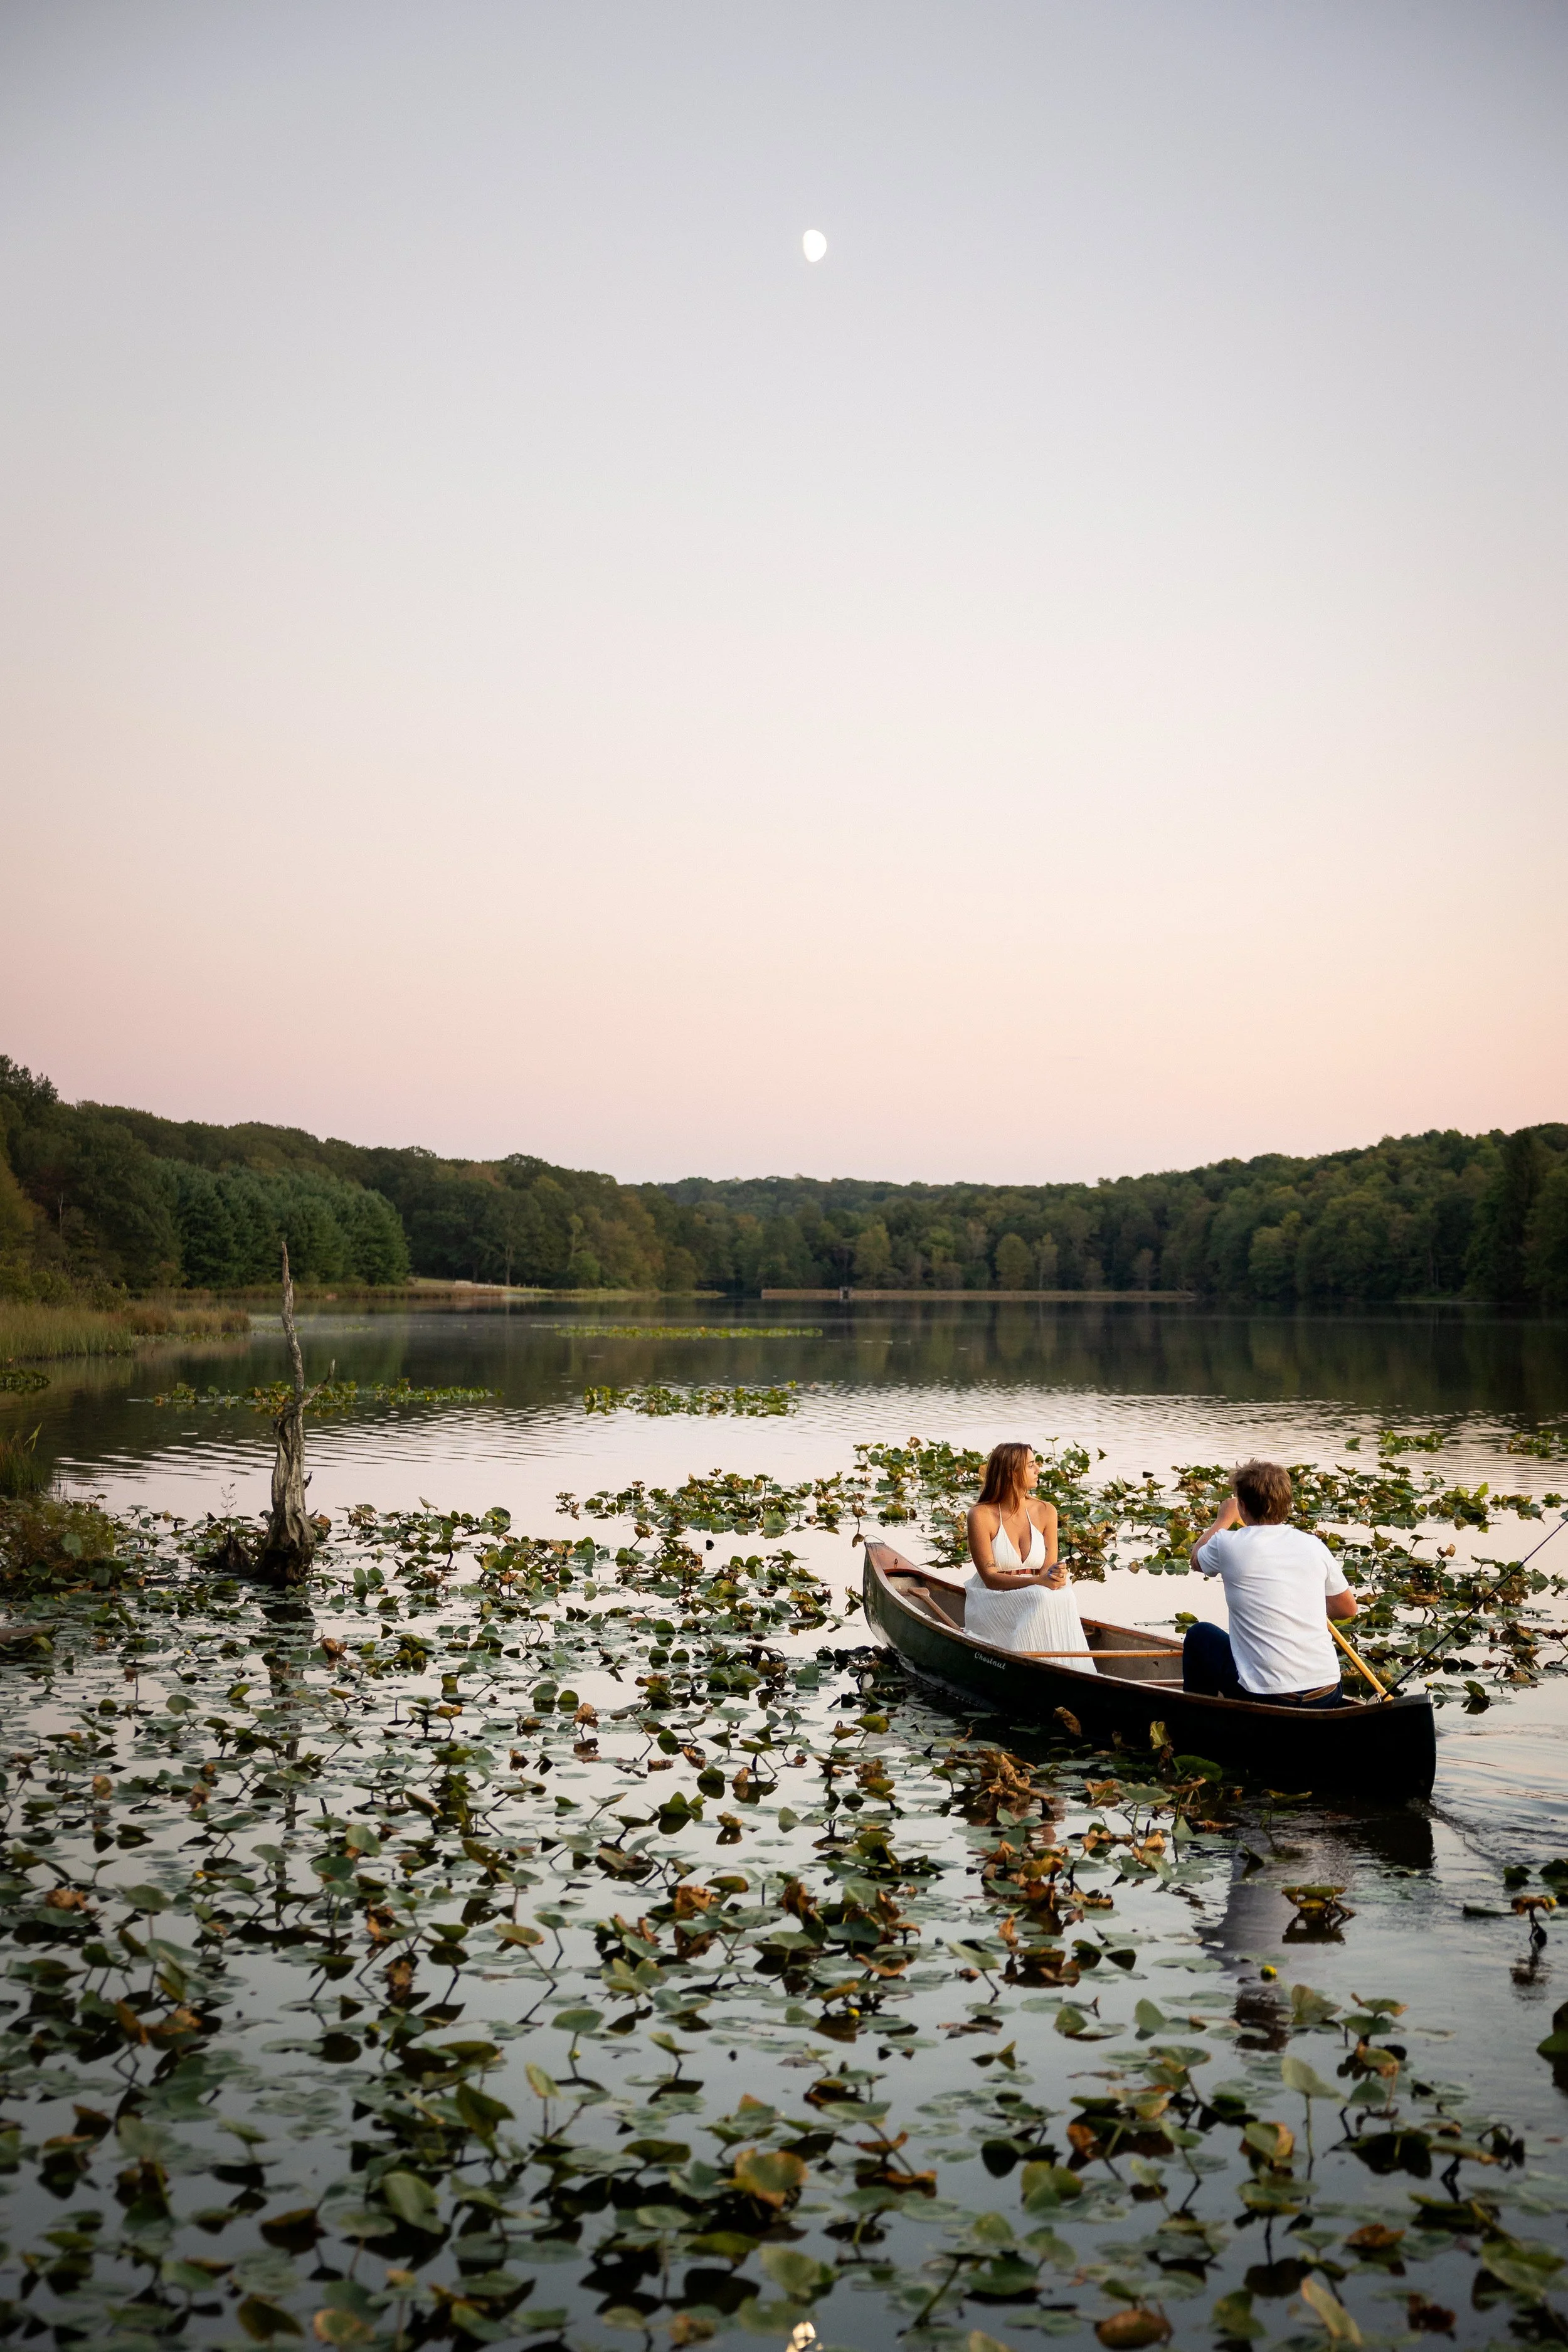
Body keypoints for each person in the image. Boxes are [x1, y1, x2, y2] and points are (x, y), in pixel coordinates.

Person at [1185, 1458, 1355, 1706]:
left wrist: (1224, 1519)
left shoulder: (1227, 1543)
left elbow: (1196, 1560)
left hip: (1269, 1695)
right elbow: (1347, 1609)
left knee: (1199, 1636)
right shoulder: (1314, 1545)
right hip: (1327, 1692)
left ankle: (1198, 1724)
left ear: (1242, 1505)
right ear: (1287, 1504)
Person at [964, 1441, 1096, 1672]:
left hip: (1038, 1593)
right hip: (994, 1597)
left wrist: (1057, 1575)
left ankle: (1073, 1671)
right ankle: (1030, 1669)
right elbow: (990, 1578)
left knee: (1064, 1595)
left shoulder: (1046, 1511)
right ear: (1010, 1472)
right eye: (1031, 1465)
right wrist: (1038, 1582)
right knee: (1041, 1597)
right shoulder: (981, 1515)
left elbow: (1048, 1569)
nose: (1039, 1470)